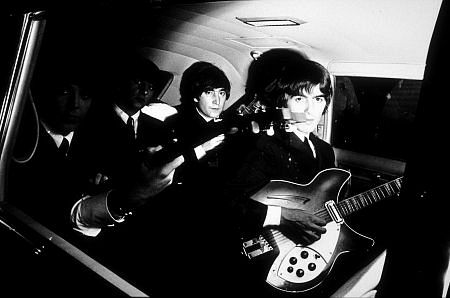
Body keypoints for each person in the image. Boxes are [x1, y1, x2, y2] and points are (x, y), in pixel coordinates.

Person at [224, 50, 336, 295]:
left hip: (307, 257)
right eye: (299, 99)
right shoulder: (263, 146)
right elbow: (228, 203)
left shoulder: (325, 151)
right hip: (262, 258)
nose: (310, 111)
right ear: (282, 102)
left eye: (318, 99)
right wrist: (281, 216)